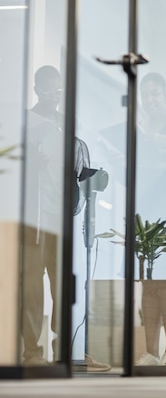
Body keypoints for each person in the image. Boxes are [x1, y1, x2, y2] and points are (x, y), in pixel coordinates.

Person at [22, 65, 110, 371]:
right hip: (34, 217)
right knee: (32, 286)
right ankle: (32, 352)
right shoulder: (25, 123)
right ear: (36, 90)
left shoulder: (68, 124)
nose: (54, 96)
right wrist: (32, 160)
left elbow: (77, 164)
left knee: (64, 288)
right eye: (48, 90)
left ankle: (68, 353)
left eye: (58, 90)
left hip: (61, 215)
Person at [134, 72, 166, 366]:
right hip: (145, 208)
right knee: (148, 280)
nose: (151, 100)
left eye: (155, 94)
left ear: (164, 95)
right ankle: (149, 351)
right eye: (146, 95)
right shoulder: (139, 128)